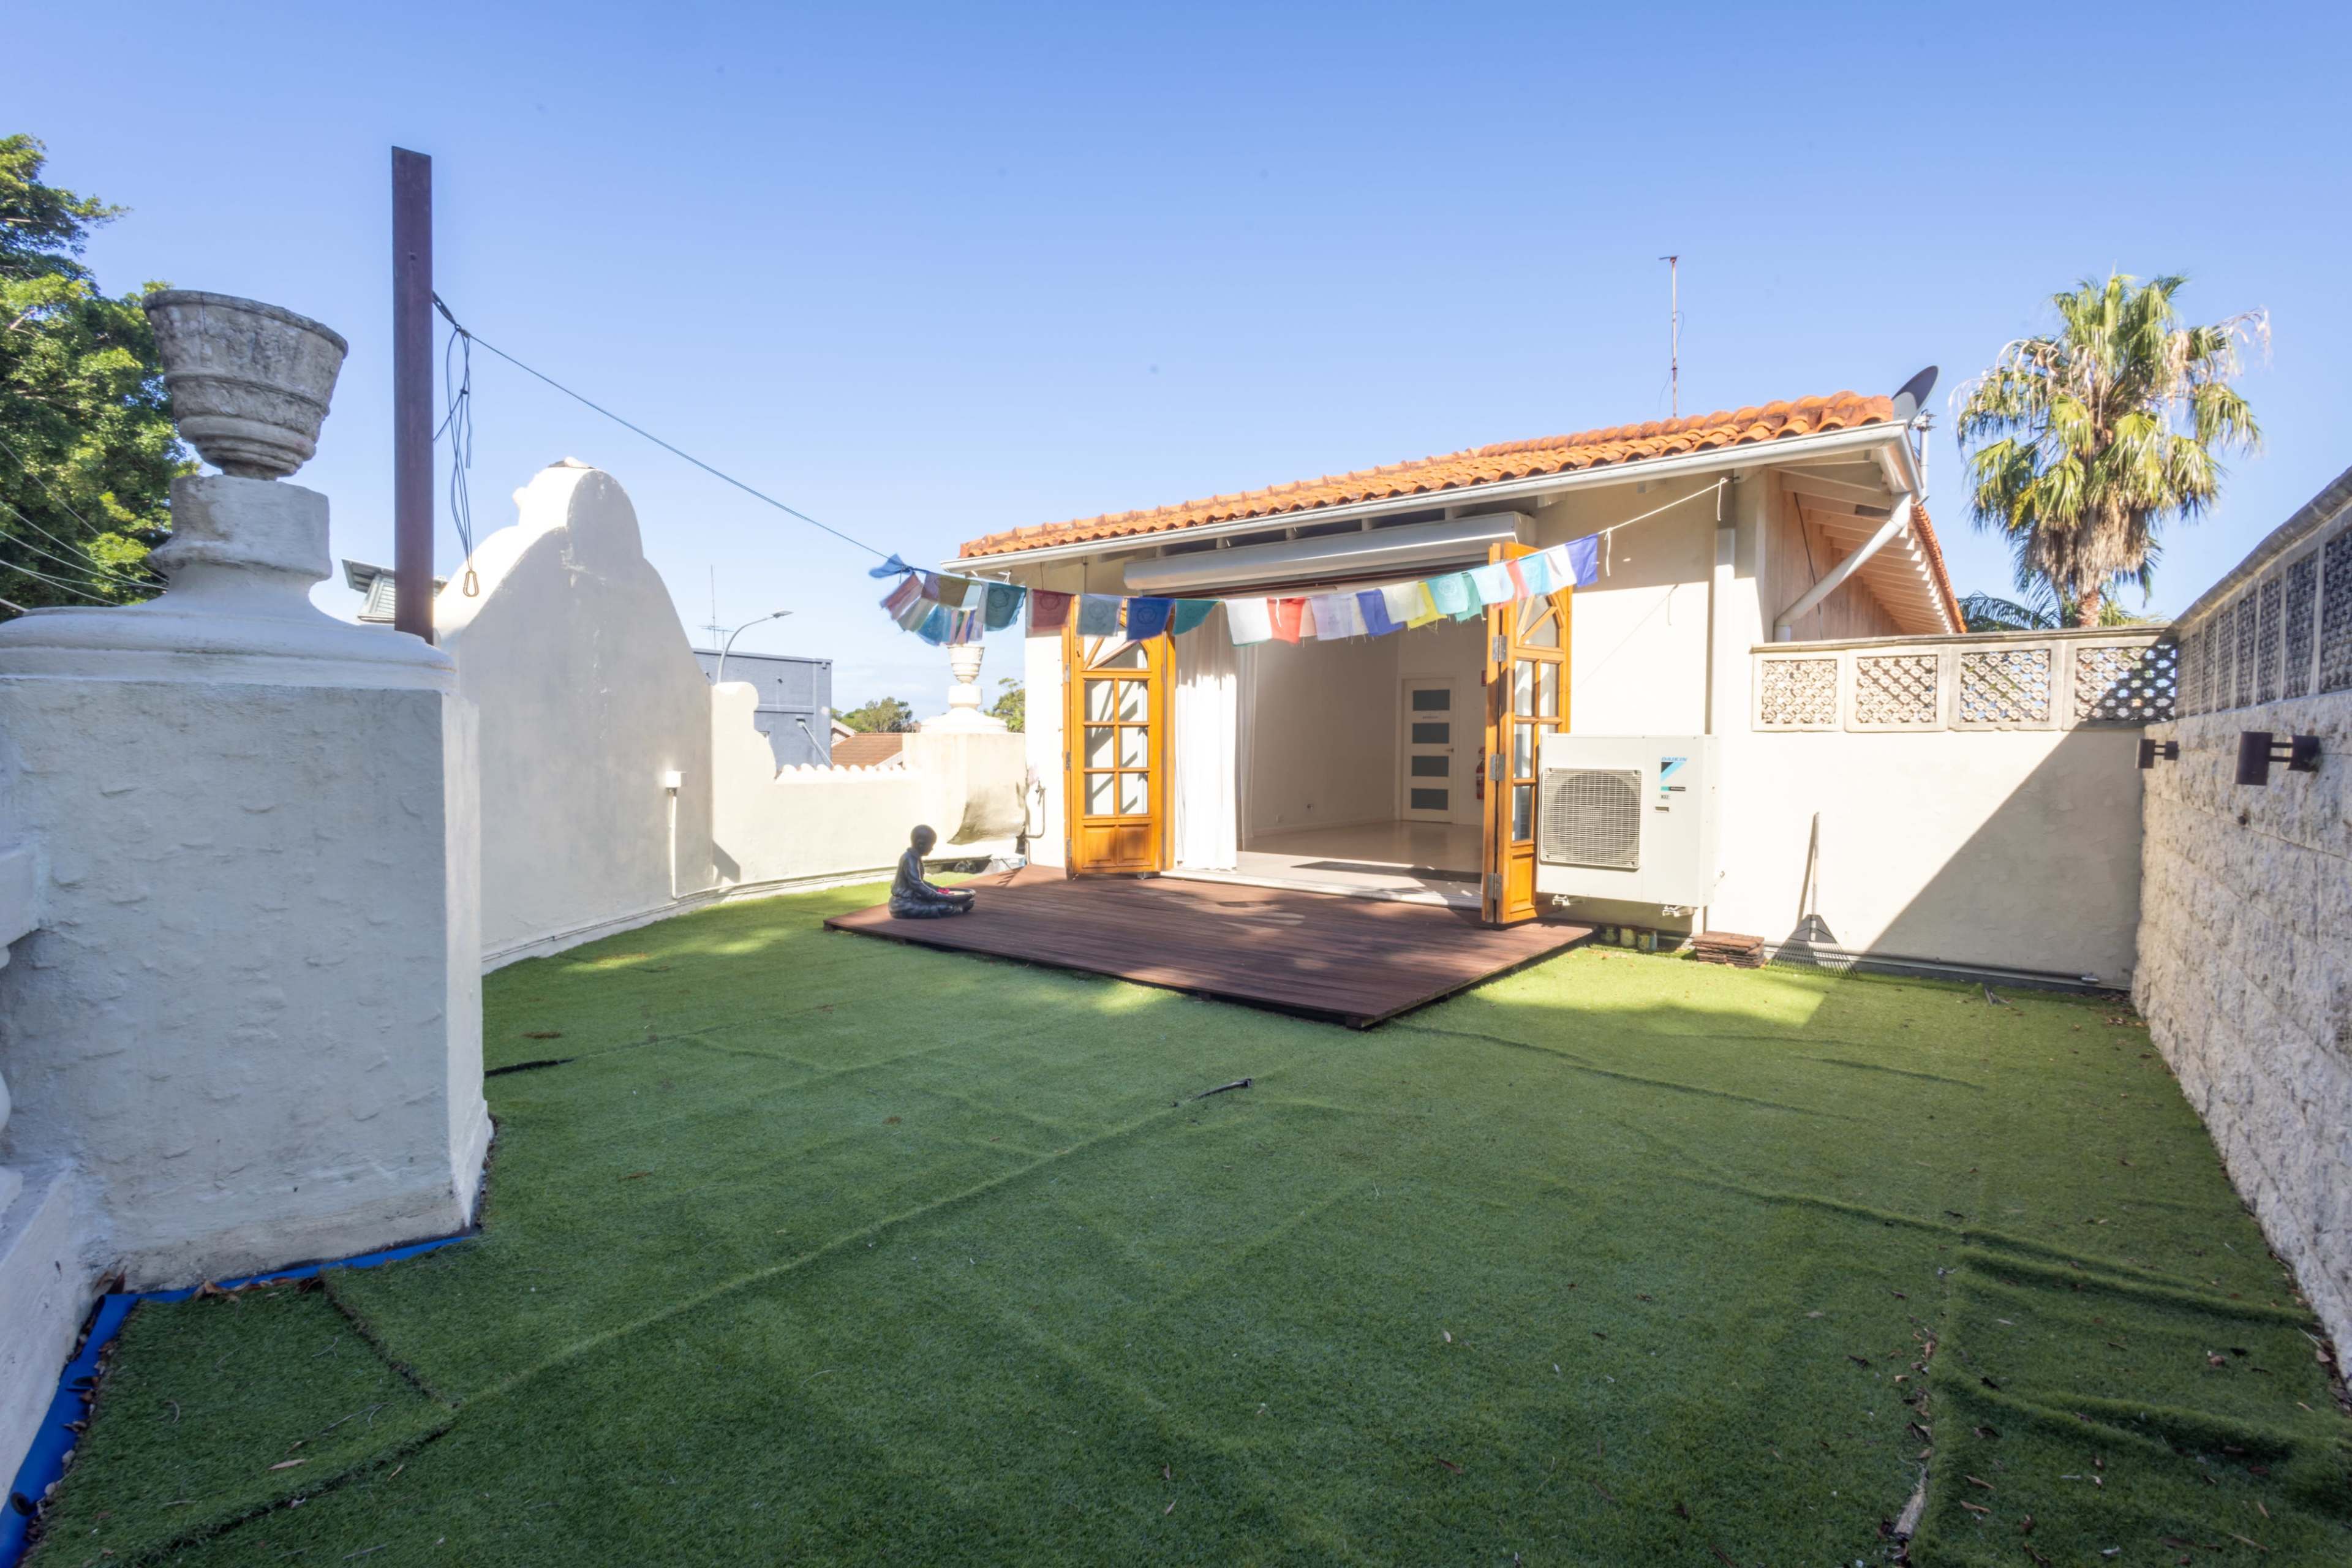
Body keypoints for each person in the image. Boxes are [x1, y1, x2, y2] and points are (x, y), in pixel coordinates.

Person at [888, 824, 976, 919]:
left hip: (913, 899)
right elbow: (917, 884)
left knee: (938, 902)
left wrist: (937, 889)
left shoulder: (914, 858)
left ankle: (955, 907)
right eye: (931, 845)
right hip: (902, 904)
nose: (932, 849)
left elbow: (920, 882)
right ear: (921, 844)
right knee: (943, 907)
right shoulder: (910, 859)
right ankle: (957, 908)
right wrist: (938, 896)